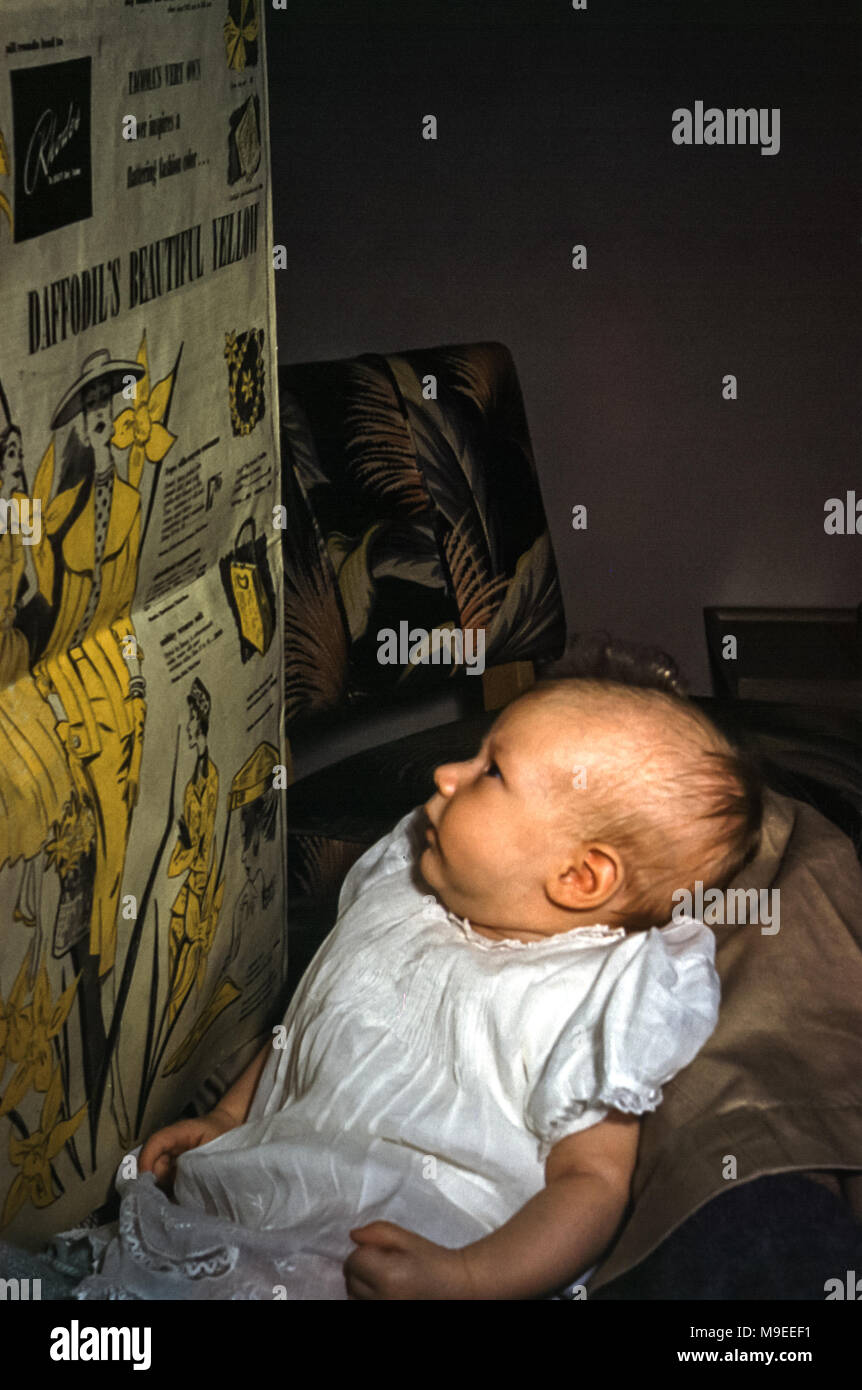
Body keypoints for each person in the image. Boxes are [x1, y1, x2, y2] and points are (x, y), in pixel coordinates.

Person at [40, 677, 762, 1299]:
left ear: (580, 878)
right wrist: (231, 1119)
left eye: (491, 772)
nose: (446, 772)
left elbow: (592, 1187)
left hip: (400, 1250)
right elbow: (310, 1016)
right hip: (254, 1200)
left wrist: (471, 1278)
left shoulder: (597, 994)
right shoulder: (402, 878)